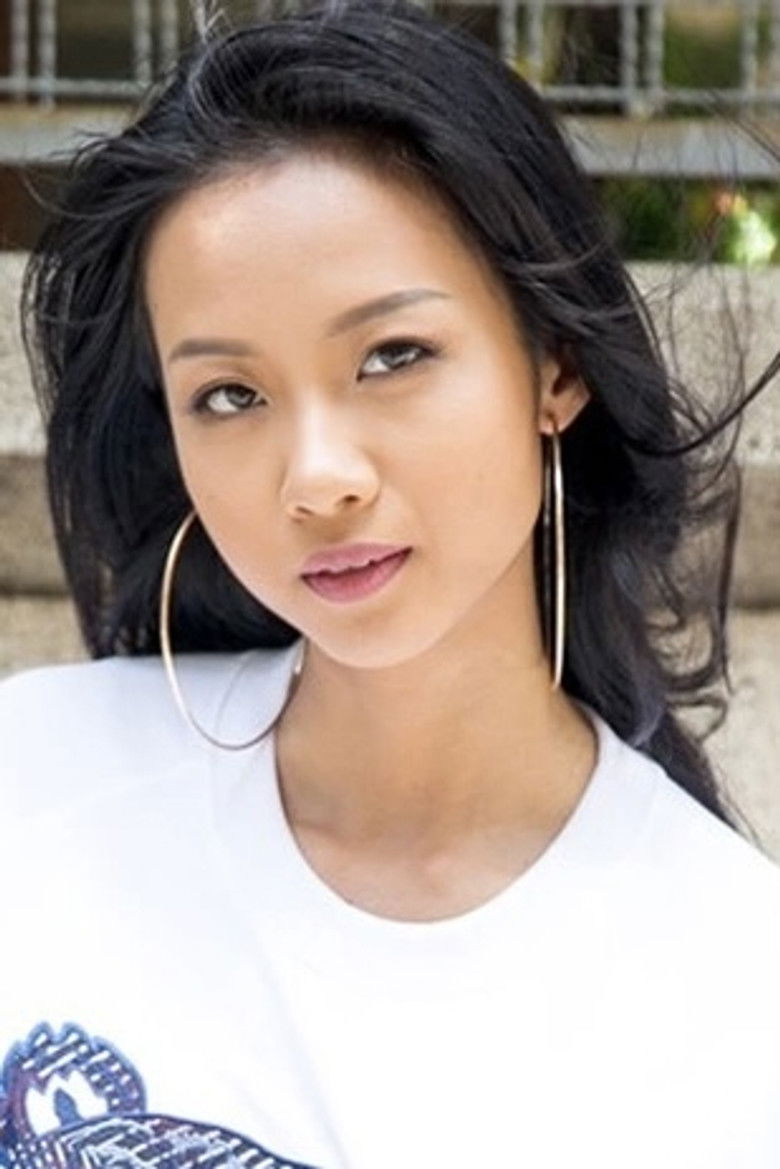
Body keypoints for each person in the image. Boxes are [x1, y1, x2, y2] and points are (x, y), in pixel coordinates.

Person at [1, 2, 778, 1166]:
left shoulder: (734, 993)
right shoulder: (35, 781)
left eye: (392, 356)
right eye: (229, 394)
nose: (318, 476)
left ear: (554, 364)